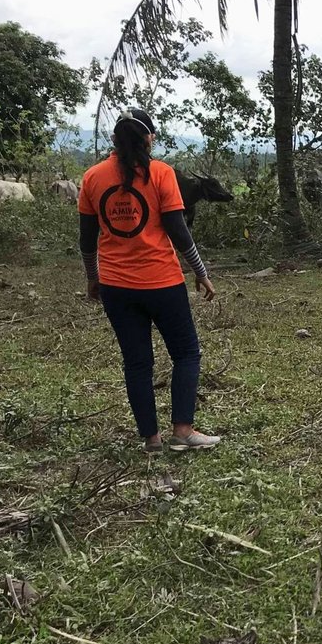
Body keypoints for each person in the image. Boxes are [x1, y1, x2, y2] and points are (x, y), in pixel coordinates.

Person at [78, 108, 220, 453]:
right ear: (149, 139)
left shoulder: (93, 177)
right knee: (186, 353)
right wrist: (200, 273)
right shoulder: (161, 174)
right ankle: (183, 431)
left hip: (115, 285)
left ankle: (151, 439)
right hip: (162, 282)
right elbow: (179, 231)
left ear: (114, 140)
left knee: (137, 361)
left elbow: (86, 239)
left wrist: (93, 279)